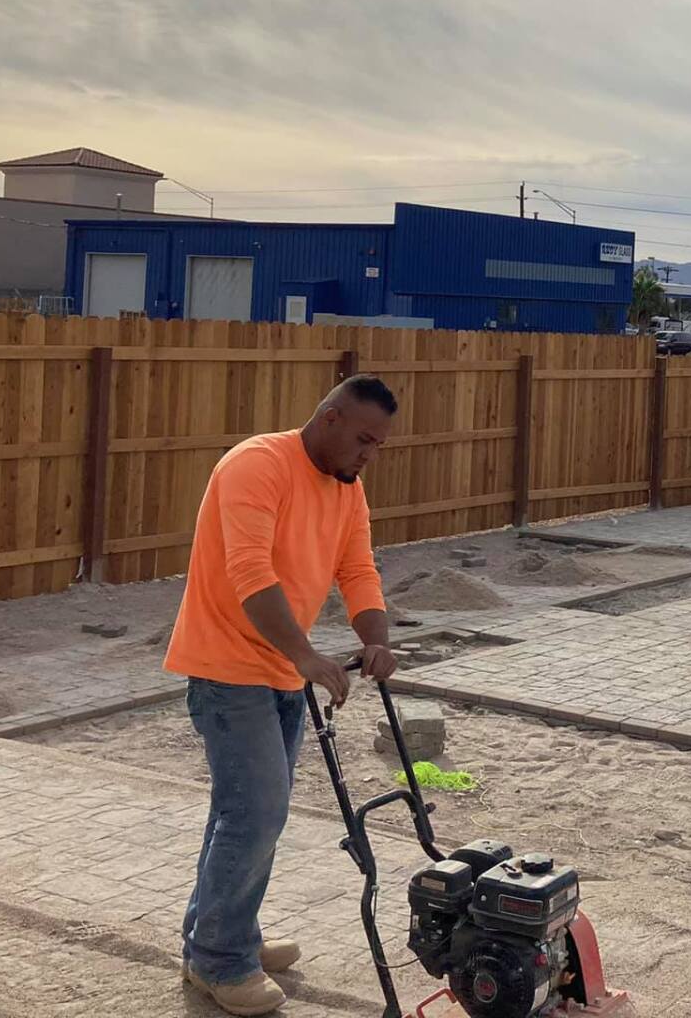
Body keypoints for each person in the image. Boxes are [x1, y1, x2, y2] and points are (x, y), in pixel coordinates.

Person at [164, 374, 400, 1015]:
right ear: (328, 418)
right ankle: (219, 962)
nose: (367, 456)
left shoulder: (347, 490)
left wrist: (375, 639)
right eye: (361, 440)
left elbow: (357, 568)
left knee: (245, 813)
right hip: (226, 666)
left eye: (377, 446)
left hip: (281, 673)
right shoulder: (257, 465)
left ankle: (222, 936)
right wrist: (305, 654)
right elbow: (250, 571)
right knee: (256, 812)